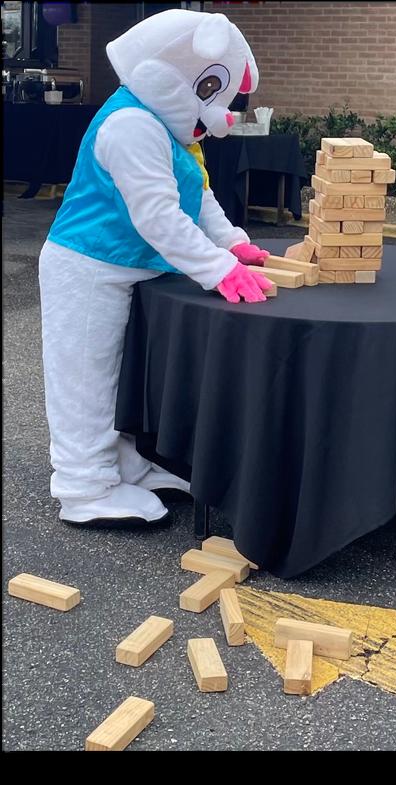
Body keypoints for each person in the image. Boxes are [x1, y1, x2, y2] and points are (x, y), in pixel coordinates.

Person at [38, 9, 273, 528]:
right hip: (89, 266)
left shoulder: (167, 130)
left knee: (121, 377)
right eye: (207, 90)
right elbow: (157, 215)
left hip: (127, 269)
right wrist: (217, 268)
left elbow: (197, 194)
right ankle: (84, 487)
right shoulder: (132, 125)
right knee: (85, 381)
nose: (216, 116)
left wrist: (233, 243)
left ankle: (126, 466)